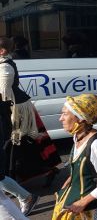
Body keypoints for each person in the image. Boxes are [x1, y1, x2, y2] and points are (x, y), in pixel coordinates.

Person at [52, 94, 97, 220]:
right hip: (70, 205)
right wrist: (72, 177)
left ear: (80, 118)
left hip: (87, 212)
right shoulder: (78, 137)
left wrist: (82, 202)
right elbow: (86, 166)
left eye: (65, 114)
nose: (60, 119)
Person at [0, 37, 61, 184]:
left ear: (2, 51)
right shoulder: (3, 63)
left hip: (15, 108)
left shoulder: (5, 67)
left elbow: (3, 93)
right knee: (20, 144)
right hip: (13, 106)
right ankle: (17, 177)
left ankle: (20, 177)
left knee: (18, 144)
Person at [0, 37, 38, 216]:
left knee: (14, 150)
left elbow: (3, 96)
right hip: (7, 111)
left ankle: (25, 196)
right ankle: (24, 195)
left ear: (2, 51)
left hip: (12, 111)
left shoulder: (5, 67)